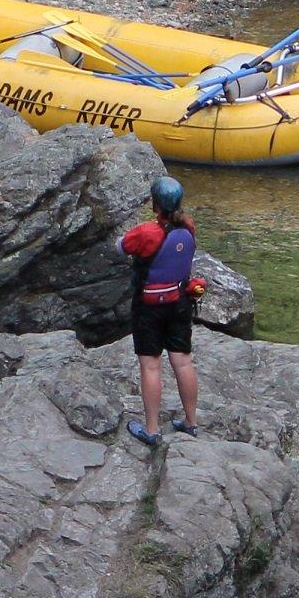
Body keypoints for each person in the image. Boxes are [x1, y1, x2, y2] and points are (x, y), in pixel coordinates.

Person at [118, 176, 206, 447]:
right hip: (180, 302)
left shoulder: (147, 232)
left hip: (149, 308)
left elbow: (120, 246)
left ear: (156, 205)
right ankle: (191, 423)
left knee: (151, 364)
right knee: (183, 361)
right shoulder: (188, 227)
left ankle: (152, 430)